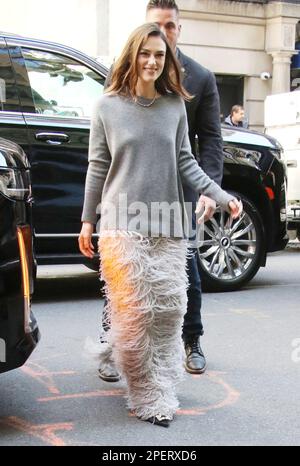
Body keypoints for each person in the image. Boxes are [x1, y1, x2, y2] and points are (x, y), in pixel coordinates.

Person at [79, 22, 242, 427]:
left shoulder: (173, 107)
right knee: (136, 314)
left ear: (167, 60)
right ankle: (148, 394)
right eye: (145, 53)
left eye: (159, 55)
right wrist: (86, 220)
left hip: (169, 220)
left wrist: (221, 196)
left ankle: (160, 381)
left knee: (168, 313)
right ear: (131, 55)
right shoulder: (107, 106)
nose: (152, 61)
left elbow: (186, 161)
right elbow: (97, 166)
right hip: (121, 224)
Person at [98, 0, 226, 382]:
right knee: (123, 276)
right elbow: (107, 140)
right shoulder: (124, 74)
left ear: (178, 30)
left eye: (170, 27)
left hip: (177, 195)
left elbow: (210, 141)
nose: (164, 34)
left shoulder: (199, 78)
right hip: (130, 198)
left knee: (183, 275)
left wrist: (209, 190)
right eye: (157, 26)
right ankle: (112, 343)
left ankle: (192, 341)